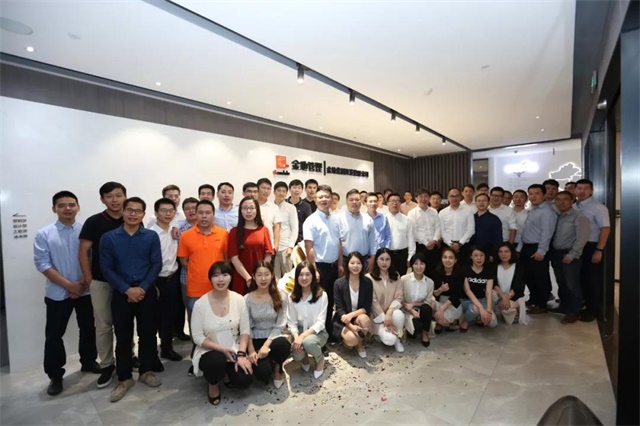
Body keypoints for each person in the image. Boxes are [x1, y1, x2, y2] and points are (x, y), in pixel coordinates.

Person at [34, 191, 100, 396]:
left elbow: (94, 260)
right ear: (54, 209)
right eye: (62, 205)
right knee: (54, 335)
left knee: (88, 328)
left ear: (78, 207)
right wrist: (70, 286)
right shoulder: (44, 234)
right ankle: (55, 375)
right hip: (57, 293)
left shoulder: (86, 231)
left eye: (71, 204)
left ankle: (88, 362)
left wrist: (81, 284)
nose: (67, 208)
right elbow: (43, 264)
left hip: (86, 290)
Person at [100, 197, 162, 403]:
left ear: (144, 214)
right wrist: (127, 289)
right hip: (121, 293)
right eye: (129, 210)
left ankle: (146, 371)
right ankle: (124, 378)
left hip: (146, 292)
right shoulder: (109, 238)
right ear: (123, 212)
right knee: (123, 337)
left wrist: (142, 288)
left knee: (148, 334)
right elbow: (106, 268)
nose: (133, 214)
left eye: (138, 211)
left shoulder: (151, 236)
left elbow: (156, 264)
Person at [78, 181, 126, 389]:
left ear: (125, 196)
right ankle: (107, 364)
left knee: (126, 324)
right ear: (102, 199)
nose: (114, 200)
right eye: (109, 196)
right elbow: (83, 252)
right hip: (101, 282)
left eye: (118, 195)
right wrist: (89, 279)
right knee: (103, 326)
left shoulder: (131, 217)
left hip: (126, 283)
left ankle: (128, 356)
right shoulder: (94, 222)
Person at [191, 261, 253, 406]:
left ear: (231, 277)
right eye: (216, 275)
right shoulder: (200, 304)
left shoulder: (239, 299)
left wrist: (242, 355)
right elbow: (198, 337)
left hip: (234, 350)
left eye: (225, 275)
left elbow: (245, 330)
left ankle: (226, 373)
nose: (220, 279)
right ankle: (213, 384)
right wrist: (222, 349)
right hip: (210, 351)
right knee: (216, 361)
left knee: (244, 380)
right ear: (210, 279)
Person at [303, 184, 342, 353]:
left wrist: (340, 264)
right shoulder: (311, 221)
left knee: (331, 301)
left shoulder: (336, 218)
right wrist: (314, 269)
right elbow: (309, 247)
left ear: (332, 198)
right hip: (320, 268)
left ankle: (329, 332)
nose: (324, 200)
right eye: (320, 197)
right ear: (315, 199)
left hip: (334, 266)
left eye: (327, 196)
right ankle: (319, 338)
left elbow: (339, 243)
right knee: (320, 304)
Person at [245, 261, 291, 388]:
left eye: (266, 274)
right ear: (253, 276)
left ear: (272, 275)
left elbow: (280, 324)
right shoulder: (247, 299)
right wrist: (251, 350)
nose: (263, 279)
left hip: (275, 338)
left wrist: (266, 345)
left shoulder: (281, 295)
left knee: (283, 345)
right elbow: (246, 327)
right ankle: (269, 362)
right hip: (255, 339)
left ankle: (278, 367)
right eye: (259, 275)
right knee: (262, 374)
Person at [178, 200, 229, 309]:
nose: (204, 216)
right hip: (195, 289)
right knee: (195, 318)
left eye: (208, 213)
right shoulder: (185, 235)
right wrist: (196, 271)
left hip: (218, 287)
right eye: (200, 213)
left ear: (214, 215)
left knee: (219, 318)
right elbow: (183, 261)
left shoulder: (223, 234)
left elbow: (227, 259)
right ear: (196, 214)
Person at [149, 198, 182, 361]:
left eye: (171, 211)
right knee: (153, 318)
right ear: (156, 213)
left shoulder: (175, 231)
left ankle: (167, 348)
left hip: (172, 278)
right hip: (155, 280)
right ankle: (151, 353)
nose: (168, 214)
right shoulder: (150, 234)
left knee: (170, 316)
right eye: (163, 210)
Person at [517, 184, 557, 314]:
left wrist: (541, 251)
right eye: (531, 194)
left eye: (537, 193)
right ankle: (534, 299)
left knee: (540, 277)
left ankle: (542, 304)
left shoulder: (547, 212)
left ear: (544, 195)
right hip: (527, 247)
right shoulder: (532, 210)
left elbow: (547, 233)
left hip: (537, 247)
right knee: (529, 276)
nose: (533, 196)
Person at [550, 192, 590, 324]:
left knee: (572, 284)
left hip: (569, 254)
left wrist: (572, 255)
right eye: (558, 199)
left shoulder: (579, 217)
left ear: (572, 200)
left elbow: (582, 239)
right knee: (561, 283)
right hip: (556, 253)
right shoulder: (556, 216)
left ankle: (574, 311)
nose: (561, 202)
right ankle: (564, 306)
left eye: (565, 199)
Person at [574, 179, 610, 322]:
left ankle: (592, 310)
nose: (582, 191)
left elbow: (605, 229)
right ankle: (584, 306)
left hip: (591, 247)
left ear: (591, 191)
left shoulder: (598, 207)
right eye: (579, 188)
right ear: (575, 190)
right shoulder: (574, 207)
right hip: (576, 247)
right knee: (580, 278)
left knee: (592, 280)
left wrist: (599, 250)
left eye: (585, 188)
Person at [287, 262, 329, 379]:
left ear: (313, 276)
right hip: (300, 331)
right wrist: (297, 338)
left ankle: (320, 359)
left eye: (307, 274)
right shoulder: (291, 296)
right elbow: (292, 322)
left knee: (308, 342)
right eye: (301, 275)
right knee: (297, 355)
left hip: (318, 333)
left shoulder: (322, 295)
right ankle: (304, 358)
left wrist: (302, 337)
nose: (304, 278)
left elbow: (321, 322)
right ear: (296, 277)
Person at [229, 196, 274, 296]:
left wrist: (260, 275)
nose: (248, 211)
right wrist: (248, 278)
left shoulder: (263, 230)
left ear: (257, 210)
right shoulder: (234, 232)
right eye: (245, 208)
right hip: (241, 277)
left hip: (261, 279)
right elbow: (234, 259)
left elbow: (268, 255)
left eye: (252, 208)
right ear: (240, 211)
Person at [332, 252, 373, 358]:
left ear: (362, 265)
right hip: (342, 320)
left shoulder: (367, 282)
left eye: (358, 263)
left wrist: (351, 315)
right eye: (352, 263)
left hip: (357, 316)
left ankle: (360, 344)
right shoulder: (339, 283)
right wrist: (351, 326)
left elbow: (366, 307)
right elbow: (340, 309)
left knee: (365, 320)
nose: (355, 266)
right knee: (352, 340)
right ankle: (351, 341)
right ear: (347, 265)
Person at [367, 248, 405, 353]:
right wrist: (385, 319)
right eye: (381, 259)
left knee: (399, 315)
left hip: (391, 313)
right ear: (376, 260)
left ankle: (397, 338)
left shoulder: (396, 275)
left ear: (391, 261)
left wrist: (389, 312)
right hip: (376, 317)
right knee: (389, 340)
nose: (384, 262)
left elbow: (399, 297)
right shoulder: (369, 278)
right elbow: (373, 302)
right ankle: (384, 334)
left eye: (387, 259)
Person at [335, 189, 376, 271]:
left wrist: (372, 258)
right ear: (346, 202)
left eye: (357, 199)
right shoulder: (338, 219)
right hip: (345, 260)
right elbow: (337, 243)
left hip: (364, 260)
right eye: (351, 200)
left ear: (361, 201)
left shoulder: (367, 218)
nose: (354, 202)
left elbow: (373, 241)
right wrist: (340, 263)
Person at [175, 197, 198, 342]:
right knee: (192, 312)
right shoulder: (180, 231)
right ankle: (196, 343)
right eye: (187, 209)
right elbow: (182, 258)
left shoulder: (210, 228)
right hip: (187, 278)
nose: (191, 211)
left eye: (194, 208)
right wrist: (196, 273)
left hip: (209, 278)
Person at [401, 252, 435, 347]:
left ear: (425, 265)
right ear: (412, 265)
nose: (419, 267)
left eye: (422, 264)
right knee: (416, 328)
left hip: (422, 310)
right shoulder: (404, 279)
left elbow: (427, 301)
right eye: (416, 264)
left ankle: (425, 333)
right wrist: (411, 310)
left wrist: (414, 304)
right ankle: (412, 330)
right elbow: (400, 298)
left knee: (427, 308)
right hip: (407, 310)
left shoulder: (430, 282)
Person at [460, 247, 497, 331]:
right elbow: (467, 291)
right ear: (471, 256)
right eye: (475, 255)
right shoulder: (465, 269)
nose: (479, 258)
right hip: (467, 300)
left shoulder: (489, 270)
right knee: (476, 309)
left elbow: (488, 292)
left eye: (481, 255)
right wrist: (481, 308)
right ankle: (466, 320)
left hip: (483, 300)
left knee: (492, 323)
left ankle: (479, 317)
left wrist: (488, 311)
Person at [407, 187, 441, 275]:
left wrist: (434, 240)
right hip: (420, 247)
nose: (423, 199)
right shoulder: (412, 213)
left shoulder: (434, 211)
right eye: (421, 197)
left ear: (429, 198)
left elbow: (438, 227)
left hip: (434, 246)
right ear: (416, 198)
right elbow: (414, 231)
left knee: (435, 270)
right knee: (420, 271)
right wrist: (426, 243)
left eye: (426, 196)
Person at [431, 248, 465, 333]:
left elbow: (456, 295)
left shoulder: (460, 273)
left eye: (451, 258)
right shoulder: (437, 272)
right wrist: (441, 289)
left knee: (443, 321)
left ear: (455, 260)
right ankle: (441, 320)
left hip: (453, 304)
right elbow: (434, 294)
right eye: (445, 257)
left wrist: (441, 309)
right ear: (441, 259)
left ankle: (449, 320)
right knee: (428, 304)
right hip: (440, 301)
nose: (447, 260)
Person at [439, 187, 475, 263]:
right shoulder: (442, 213)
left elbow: (471, 230)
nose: (454, 198)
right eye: (452, 196)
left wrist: (460, 243)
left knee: (464, 267)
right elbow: (442, 231)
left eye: (457, 196)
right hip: (447, 246)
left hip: (464, 246)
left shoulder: (468, 211)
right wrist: (450, 244)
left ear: (460, 197)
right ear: (448, 197)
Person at [493, 243, 526, 325]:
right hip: (499, 296)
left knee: (508, 317)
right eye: (500, 252)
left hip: (513, 296)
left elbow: (518, 286)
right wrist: (503, 297)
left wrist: (507, 298)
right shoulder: (494, 266)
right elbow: (494, 284)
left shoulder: (519, 266)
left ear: (511, 252)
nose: (503, 254)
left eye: (506, 251)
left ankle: (514, 311)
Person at [273, 181, 299, 278]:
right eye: (279, 190)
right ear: (274, 192)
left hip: (285, 247)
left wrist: (291, 246)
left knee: (288, 276)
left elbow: (295, 228)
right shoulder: (270, 207)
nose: (281, 193)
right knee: (274, 276)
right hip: (272, 247)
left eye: (284, 191)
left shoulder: (291, 208)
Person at [385, 193, 416, 273]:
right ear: (387, 203)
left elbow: (411, 239)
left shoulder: (407, 220)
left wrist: (410, 257)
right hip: (387, 254)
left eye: (397, 201)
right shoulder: (383, 219)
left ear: (400, 203)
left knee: (401, 278)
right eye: (392, 201)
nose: (395, 203)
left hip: (402, 254)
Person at [469, 193, 502, 260]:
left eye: (484, 200)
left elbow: (498, 239)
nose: (481, 203)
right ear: (475, 203)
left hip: (488, 253)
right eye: (479, 201)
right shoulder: (471, 217)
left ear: (489, 202)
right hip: (472, 252)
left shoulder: (494, 219)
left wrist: (493, 254)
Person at [257, 178, 282, 255]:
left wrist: (276, 246)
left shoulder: (274, 207)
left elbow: (277, 227)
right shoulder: (251, 206)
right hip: (254, 245)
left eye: (268, 189)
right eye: (263, 188)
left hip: (269, 246)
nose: (266, 191)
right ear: (257, 189)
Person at [287, 179, 312, 244]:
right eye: (294, 187)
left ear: (302, 190)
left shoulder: (306, 206)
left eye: (299, 188)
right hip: (285, 238)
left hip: (300, 239)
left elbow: (308, 224)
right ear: (289, 189)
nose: (297, 190)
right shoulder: (284, 203)